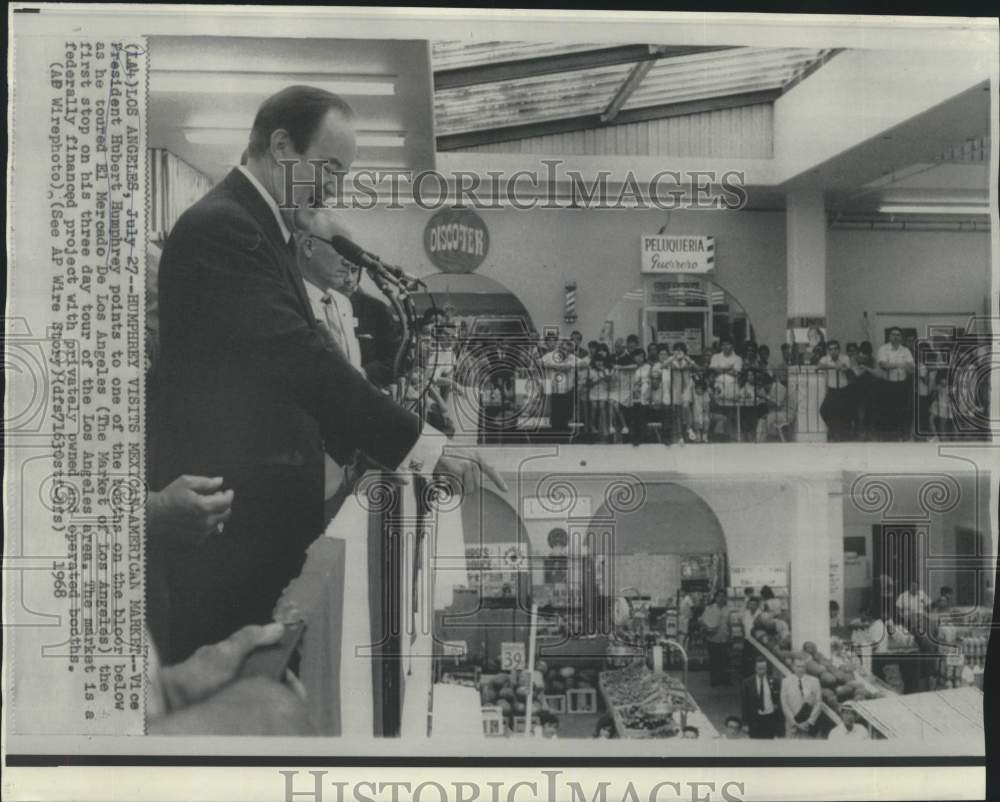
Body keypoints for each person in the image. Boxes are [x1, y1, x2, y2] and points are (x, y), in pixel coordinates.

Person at [151, 84, 503, 662]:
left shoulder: (261, 229)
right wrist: (423, 447)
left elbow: (299, 362)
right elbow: (299, 358)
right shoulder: (226, 226)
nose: (335, 187)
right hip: (231, 532)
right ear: (282, 146)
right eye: (329, 167)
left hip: (255, 522)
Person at [875, 327, 915, 440]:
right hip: (888, 385)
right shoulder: (883, 349)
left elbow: (911, 366)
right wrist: (900, 365)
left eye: (898, 335)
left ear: (901, 337)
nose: (895, 337)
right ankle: (889, 438)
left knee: (902, 411)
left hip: (902, 385)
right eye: (893, 334)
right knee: (888, 411)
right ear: (889, 336)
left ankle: (901, 436)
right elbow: (883, 365)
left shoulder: (905, 350)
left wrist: (893, 365)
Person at [818, 340, 854, 441]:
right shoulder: (825, 359)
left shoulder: (845, 358)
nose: (833, 351)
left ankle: (844, 436)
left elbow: (845, 368)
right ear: (828, 351)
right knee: (824, 410)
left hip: (844, 389)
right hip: (832, 389)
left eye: (835, 349)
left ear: (839, 350)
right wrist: (833, 366)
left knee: (844, 413)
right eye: (831, 349)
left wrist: (841, 367)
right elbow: (819, 366)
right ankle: (833, 431)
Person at [741, 655, 781, 739]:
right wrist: (745, 723)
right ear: (755, 668)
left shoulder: (775, 681)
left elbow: (778, 700)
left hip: (770, 718)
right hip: (755, 719)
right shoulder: (747, 683)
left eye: (764, 668)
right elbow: (744, 704)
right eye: (759, 668)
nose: (762, 671)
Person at [780, 657, 822, 738]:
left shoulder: (814, 681)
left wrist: (809, 722)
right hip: (792, 727)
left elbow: (818, 703)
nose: (801, 669)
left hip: (808, 727)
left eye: (803, 666)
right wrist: (795, 723)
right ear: (793, 667)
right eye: (798, 666)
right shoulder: (786, 682)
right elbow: (784, 704)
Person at [699, 590, 732, 687]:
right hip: (713, 639)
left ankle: (724, 680)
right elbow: (702, 621)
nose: (721, 598)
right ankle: (714, 681)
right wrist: (707, 628)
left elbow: (729, 624)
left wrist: (731, 635)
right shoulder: (709, 608)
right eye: (719, 596)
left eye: (723, 596)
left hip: (724, 638)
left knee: (724, 661)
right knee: (714, 661)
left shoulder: (727, 609)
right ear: (715, 597)